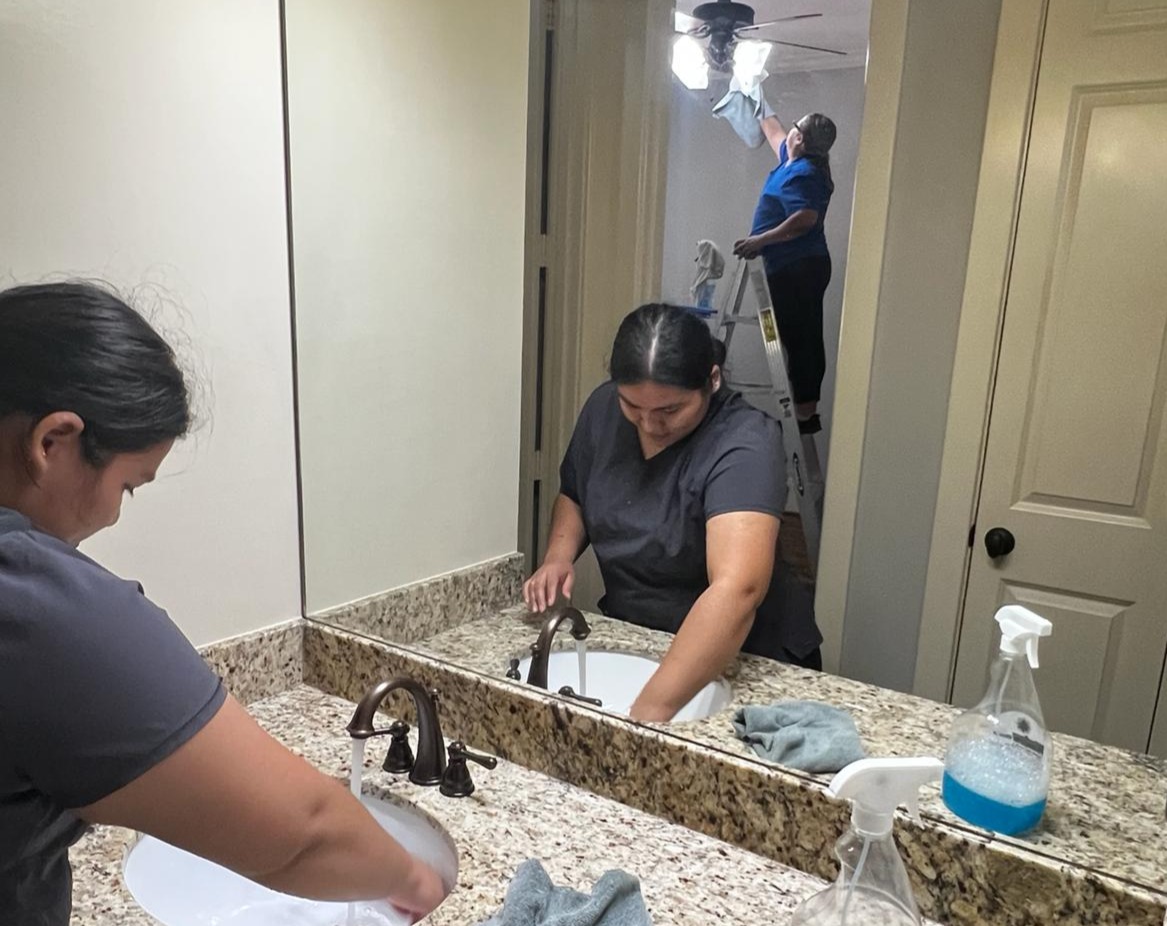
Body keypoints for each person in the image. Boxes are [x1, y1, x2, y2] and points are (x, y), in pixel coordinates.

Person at [0, 282, 445, 925]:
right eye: (128, 485)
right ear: (53, 443)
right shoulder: (35, 604)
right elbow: (305, 830)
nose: (112, 516)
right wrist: (416, 881)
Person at [522, 304, 822, 723]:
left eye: (669, 411)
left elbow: (737, 589)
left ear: (712, 380)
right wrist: (558, 556)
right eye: (632, 407)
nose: (648, 424)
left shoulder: (745, 441)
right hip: (643, 633)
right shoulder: (604, 408)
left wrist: (646, 714)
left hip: (746, 656)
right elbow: (575, 492)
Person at [733, 111, 837, 426]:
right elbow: (773, 130)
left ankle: (804, 413)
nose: (789, 130)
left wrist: (761, 240)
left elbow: (806, 218)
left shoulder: (803, 172)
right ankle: (803, 406)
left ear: (800, 138)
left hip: (800, 268)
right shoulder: (790, 160)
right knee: (793, 336)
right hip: (789, 267)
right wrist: (754, 91)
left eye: (795, 127)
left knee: (802, 338)